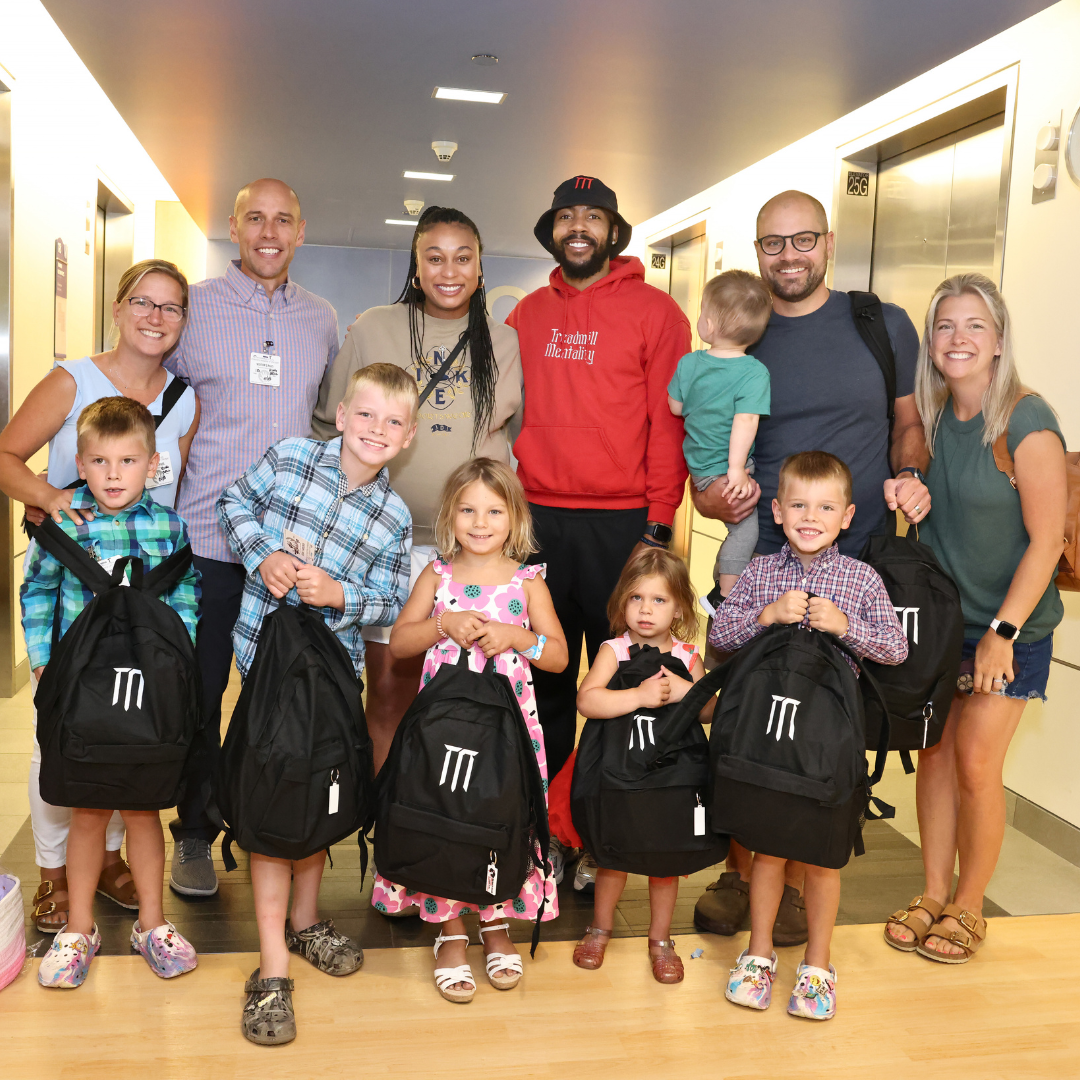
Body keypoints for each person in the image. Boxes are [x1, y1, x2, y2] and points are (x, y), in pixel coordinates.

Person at [693, 189, 931, 944]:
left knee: (821, 735)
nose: (787, 256)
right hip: (758, 563)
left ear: (828, 243)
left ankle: (796, 881)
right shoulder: (746, 329)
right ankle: (738, 872)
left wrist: (910, 472)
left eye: (802, 241)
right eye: (772, 244)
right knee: (739, 723)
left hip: (851, 572)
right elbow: (706, 446)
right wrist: (710, 497)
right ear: (756, 251)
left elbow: (909, 423)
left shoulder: (880, 323)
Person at [217, 364, 415, 1045]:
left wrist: (340, 597)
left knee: (316, 793)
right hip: (264, 664)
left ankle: (305, 923)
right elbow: (232, 502)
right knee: (277, 799)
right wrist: (262, 555)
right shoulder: (290, 458)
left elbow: (390, 599)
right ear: (339, 411)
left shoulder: (394, 516)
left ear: (409, 435)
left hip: (331, 677)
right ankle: (271, 964)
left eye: (393, 422)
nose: (376, 430)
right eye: (366, 415)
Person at [0, 258, 198, 933]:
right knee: (60, 742)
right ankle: (55, 879)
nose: (155, 316)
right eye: (143, 301)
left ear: (181, 322)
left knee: (127, 729)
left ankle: (112, 863)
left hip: (142, 598)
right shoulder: (71, 381)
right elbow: (5, 457)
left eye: (170, 307)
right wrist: (51, 500)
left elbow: (170, 489)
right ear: (119, 307)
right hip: (75, 586)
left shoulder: (184, 398)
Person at [508, 175, 690, 887]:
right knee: (547, 685)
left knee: (623, 679)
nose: (578, 227)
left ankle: (601, 834)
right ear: (552, 229)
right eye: (566, 216)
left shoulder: (657, 312)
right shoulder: (525, 314)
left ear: (614, 231)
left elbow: (666, 424)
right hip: (541, 522)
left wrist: (658, 522)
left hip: (624, 525)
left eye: (594, 216)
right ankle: (545, 832)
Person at [882, 274, 1066, 964]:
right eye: (945, 327)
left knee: (976, 765)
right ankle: (932, 892)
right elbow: (926, 491)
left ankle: (969, 905)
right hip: (942, 627)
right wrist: (906, 484)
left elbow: (1047, 541)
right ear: (931, 344)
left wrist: (1003, 635)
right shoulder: (931, 420)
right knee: (933, 757)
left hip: (1009, 629)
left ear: (998, 341)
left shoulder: (1026, 420)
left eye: (974, 326)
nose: (958, 339)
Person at [165, 178, 340, 897]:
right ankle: (196, 834)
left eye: (284, 220)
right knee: (201, 694)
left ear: (301, 231)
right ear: (234, 228)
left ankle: (273, 822)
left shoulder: (323, 320)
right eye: (255, 219)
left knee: (283, 699)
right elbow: (153, 407)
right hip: (207, 537)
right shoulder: (194, 309)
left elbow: (332, 424)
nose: (270, 232)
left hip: (292, 551)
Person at [312, 205, 522, 773]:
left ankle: (441, 807)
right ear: (416, 265)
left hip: (473, 550)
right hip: (387, 546)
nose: (448, 270)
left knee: (463, 694)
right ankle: (388, 820)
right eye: (433, 257)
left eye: (462, 257)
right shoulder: (374, 327)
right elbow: (329, 425)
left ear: (481, 269)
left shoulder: (505, 344)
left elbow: (516, 442)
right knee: (387, 691)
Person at [711, 451, 907, 1019]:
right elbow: (722, 633)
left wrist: (848, 627)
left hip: (829, 741)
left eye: (824, 507)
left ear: (847, 516)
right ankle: (759, 954)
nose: (810, 516)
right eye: (798, 504)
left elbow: (896, 648)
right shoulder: (762, 573)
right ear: (776, 511)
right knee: (767, 848)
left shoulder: (861, 578)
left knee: (823, 856)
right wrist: (767, 615)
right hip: (767, 736)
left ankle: (818, 965)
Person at [370, 458, 568, 1003]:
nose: (480, 522)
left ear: (515, 518)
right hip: (444, 731)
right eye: (468, 510)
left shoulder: (529, 583)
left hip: (509, 733)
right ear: (449, 516)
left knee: (499, 815)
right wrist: (442, 624)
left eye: (494, 511)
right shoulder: (437, 575)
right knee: (447, 812)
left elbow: (558, 657)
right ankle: (449, 930)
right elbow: (401, 645)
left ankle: (496, 923)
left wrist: (516, 635)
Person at [22, 398, 200, 989]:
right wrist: (44, 664)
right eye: (100, 461)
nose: (114, 474)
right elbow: (39, 593)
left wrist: (181, 665)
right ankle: (79, 927)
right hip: (81, 692)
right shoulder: (64, 520)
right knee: (88, 810)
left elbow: (186, 601)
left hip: (147, 693)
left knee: (145, 809)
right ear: (80, 461)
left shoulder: (169, 528)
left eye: (128, 460)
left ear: (153, 464)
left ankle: (152, 923)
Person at [568, 548, 713, 983]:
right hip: (619, 771)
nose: (646, 610)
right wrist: (639, 697)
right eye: (636, 599)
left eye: (659, 600)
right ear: (621, 603)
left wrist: (688, 690)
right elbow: (587, 700)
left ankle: (661, 939)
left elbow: (710, 713)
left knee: (665, 859)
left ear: (680, 608)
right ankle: (600, 928)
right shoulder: (614, 649)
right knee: (614, 854)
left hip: (671, 776)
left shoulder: (688, 656)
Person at [667, 270, 772, 598]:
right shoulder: (754, 371)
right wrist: (736, 470)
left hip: (699, 470)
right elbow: (746, 422)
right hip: (727, 469)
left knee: (736, 527)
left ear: (709, 325)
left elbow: (674, 407)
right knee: (745, 530)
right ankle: (726, 594)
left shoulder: (689, 363)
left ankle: (725, 588)